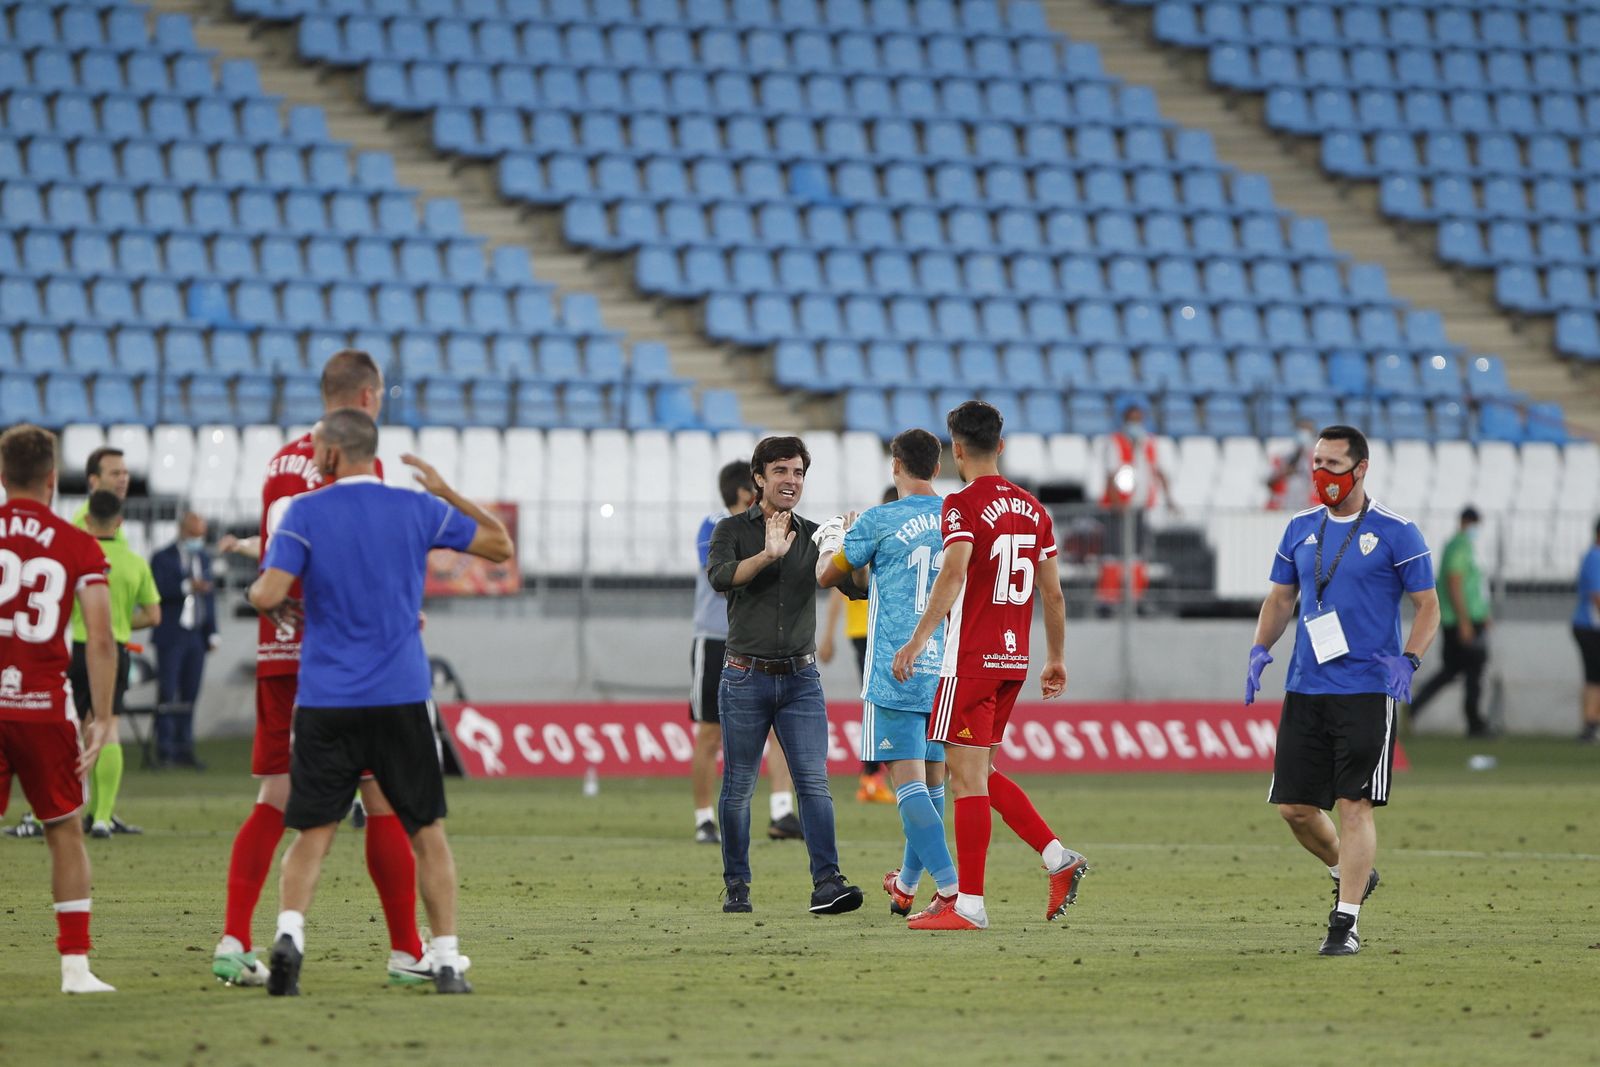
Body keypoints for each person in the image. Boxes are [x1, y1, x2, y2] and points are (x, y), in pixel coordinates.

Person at [248, 408, 513, 996]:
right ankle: (444, 960)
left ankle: (290, 935)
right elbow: (499, 545)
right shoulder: (415, 508)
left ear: (335, 454)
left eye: (318, 447)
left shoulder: (304, 513)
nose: (314, 455)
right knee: (427, 832)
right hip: (399, 694)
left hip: (325, 699)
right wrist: (447, 491)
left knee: (312, 831)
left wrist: (265, 592)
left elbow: (268, 591)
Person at [211, 349, 435, 990]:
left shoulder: (280, 460)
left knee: (274, 796)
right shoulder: (363, 464)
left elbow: (286, 548)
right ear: (367, 397)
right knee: (380, 796)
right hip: (348, 655)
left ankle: (232, 938)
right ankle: (406, 951)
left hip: (281, 649)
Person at [892, 402, 1088, 931]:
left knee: (963, 780)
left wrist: (915, 642)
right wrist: (1056, 658)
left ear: (955, 449)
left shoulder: (960, 505)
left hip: (969, 660)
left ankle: (971, 906)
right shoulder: (1034, 510)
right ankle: (1056, 858)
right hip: (1012, 660)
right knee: (980, 772)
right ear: (1000, 446)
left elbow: (953, 575)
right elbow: (1054, 595)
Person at [1245, 424, 1439, 957]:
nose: (1321, 475)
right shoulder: (1299, 528)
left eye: (1333, 465)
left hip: (1367, 689)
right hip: (1307, 685)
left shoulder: (1398, 532)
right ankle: (1350, 871)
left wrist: (1410, 659)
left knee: (1354, 805)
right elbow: (1281, 599)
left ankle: (1345, 921)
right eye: (1317, 463)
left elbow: (1429, 606)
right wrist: (1261, 648)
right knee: (1295, 809)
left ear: (1361, 468)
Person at [706, 436, 866, 916]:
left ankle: (827, 884)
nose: (790, 481)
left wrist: (854, 555)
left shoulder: (818, 535)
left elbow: (854, 591)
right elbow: (720, 578)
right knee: (738, 785)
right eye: (780, 471)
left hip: (800, 679)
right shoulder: (730, 529)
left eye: (797, 472)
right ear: (759, 478)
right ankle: (737, 885)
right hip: (743, 676)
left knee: (813, 783)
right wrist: (768, 556)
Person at [817, 429, 959, 920]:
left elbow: (828, 576)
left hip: (894, 669)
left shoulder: (879, 520)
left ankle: (950, 891)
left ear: (895, 465)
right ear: (937, 468)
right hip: (947, 668)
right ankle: (906, 884)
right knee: (934, 787)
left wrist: (837, 537)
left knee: (908, 787)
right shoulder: (955, 518)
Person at [0, 425, 119, 992]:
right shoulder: (76, 544)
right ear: (53, 478)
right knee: (64, 829)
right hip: (45, 707)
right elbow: (99, 637)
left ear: (1, 477)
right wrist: (104, 717)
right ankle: (75, 968)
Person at [690, 460, 801, 845]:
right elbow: (722, 579)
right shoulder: (716, 526)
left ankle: (781, 811)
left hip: (761, 641)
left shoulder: (773, 524)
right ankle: (704, 817)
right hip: (717, 638)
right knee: (709, 733)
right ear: (744, 492)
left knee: (780, 728)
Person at [68, 490, 160, 838]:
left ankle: (67, 811)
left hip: (75, 648)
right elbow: (154, 615)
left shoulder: (76, 556)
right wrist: (118, 622)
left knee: (72, 732)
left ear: (87, 520)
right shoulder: (136, 562)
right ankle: (103, 817)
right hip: (115, 649)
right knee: (109, 728)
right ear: (120, 522)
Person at [820, 486, 897, 805]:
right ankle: (870, 776)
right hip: (866, 628)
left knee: (888, 700)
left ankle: (887, 772)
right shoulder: (874, 530)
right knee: (876, 699)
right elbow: (841, 583)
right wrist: (827, 635)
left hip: (890, 630)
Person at [1409, 507, 1493, 737]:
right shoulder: (1459, 547)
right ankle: (1474, 723)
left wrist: (1483, 613)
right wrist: (1465, 621)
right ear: (1468, 522)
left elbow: (1473, 586)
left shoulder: (1464, 547)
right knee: (1468, 671)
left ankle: (1416, 708)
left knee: (1457, 670)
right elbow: (1455, 584)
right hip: (1460, 620)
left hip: (1465, 618)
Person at [149, 511, 217, 768]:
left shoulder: (203, 557)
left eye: (201, 534)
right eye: (194, 533)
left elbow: (209, 599)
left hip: (196, 636)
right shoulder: (162, 558)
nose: (197, 539)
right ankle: (165, 749)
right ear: (182, 530)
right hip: (171, 634)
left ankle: (184, 747)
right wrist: (187, 587)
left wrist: (213, 632)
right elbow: (157, 590)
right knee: (168, 693)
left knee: (190, 693)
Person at [1095, 399, 1172, 612]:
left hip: (1139, 508)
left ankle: (1136, 599)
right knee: (1113, 555)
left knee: (1137, 555)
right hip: (1117, 509)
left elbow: (1158, 471)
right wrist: (1118, 504)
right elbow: (1110, 476)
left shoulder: (1148, 443)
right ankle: (1107, 601)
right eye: (1132, 420)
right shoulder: (1115, 442)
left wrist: (1169, 499)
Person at [1574, 519, 1600, 744]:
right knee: (1594, 677)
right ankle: (1590, 724)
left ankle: (1592, 723)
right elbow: (1596, 595)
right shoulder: (1595, 556)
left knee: (1594, 677)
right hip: (1589, 626)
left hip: (1590, 626)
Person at [1266, 418, 1319, 512]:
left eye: (1307, 431)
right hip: (1283, 505)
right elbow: (1268, 481)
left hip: (1308, 506)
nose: (1304, 434)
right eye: (1302, 430)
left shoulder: (1319, 456)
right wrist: (1284, 473)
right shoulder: (1283, 454)